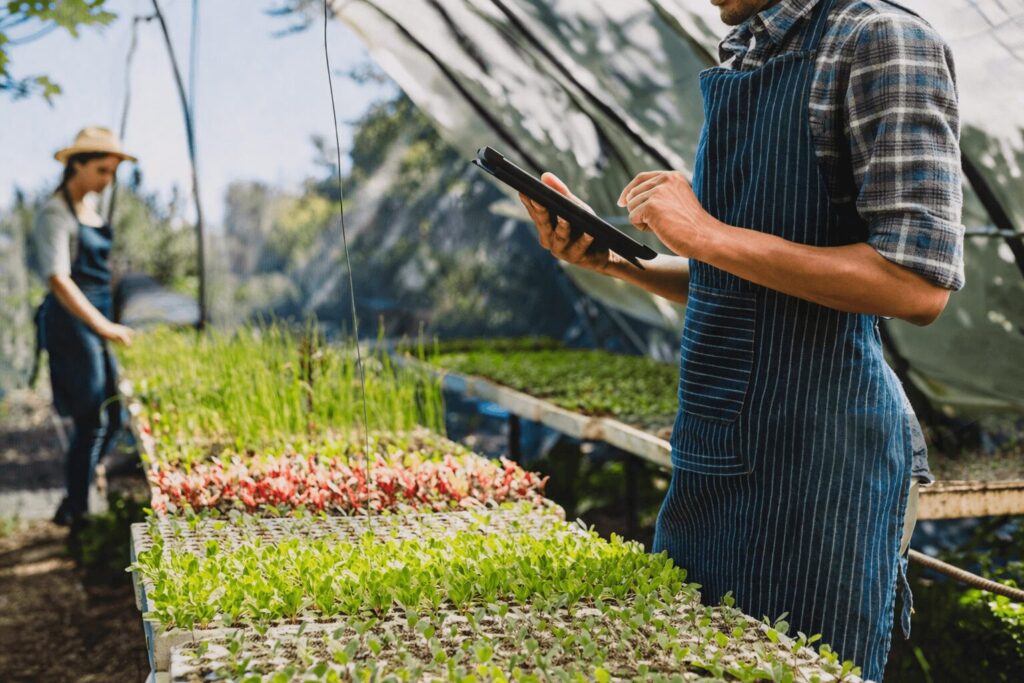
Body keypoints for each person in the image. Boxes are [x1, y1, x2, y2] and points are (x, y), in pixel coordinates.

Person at [519, 0, 962, 679]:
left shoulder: (880, 40)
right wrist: (615, 260)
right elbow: (742, 280)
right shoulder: (745, 51)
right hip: (715, 455)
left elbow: (914, 284)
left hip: (819, 471)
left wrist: (700, 232)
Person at [33, 126, 137, 531]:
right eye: (100, 170)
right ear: (76, 165)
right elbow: (59, 279)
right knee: (92, 418)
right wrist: (104, 327)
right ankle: (78, 512)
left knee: (112, 417)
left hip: (96, 321)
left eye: (112, 172)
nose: (106, 180)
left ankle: (78, 492)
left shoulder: (91, 211)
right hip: (72, 322)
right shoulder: (54, 213)